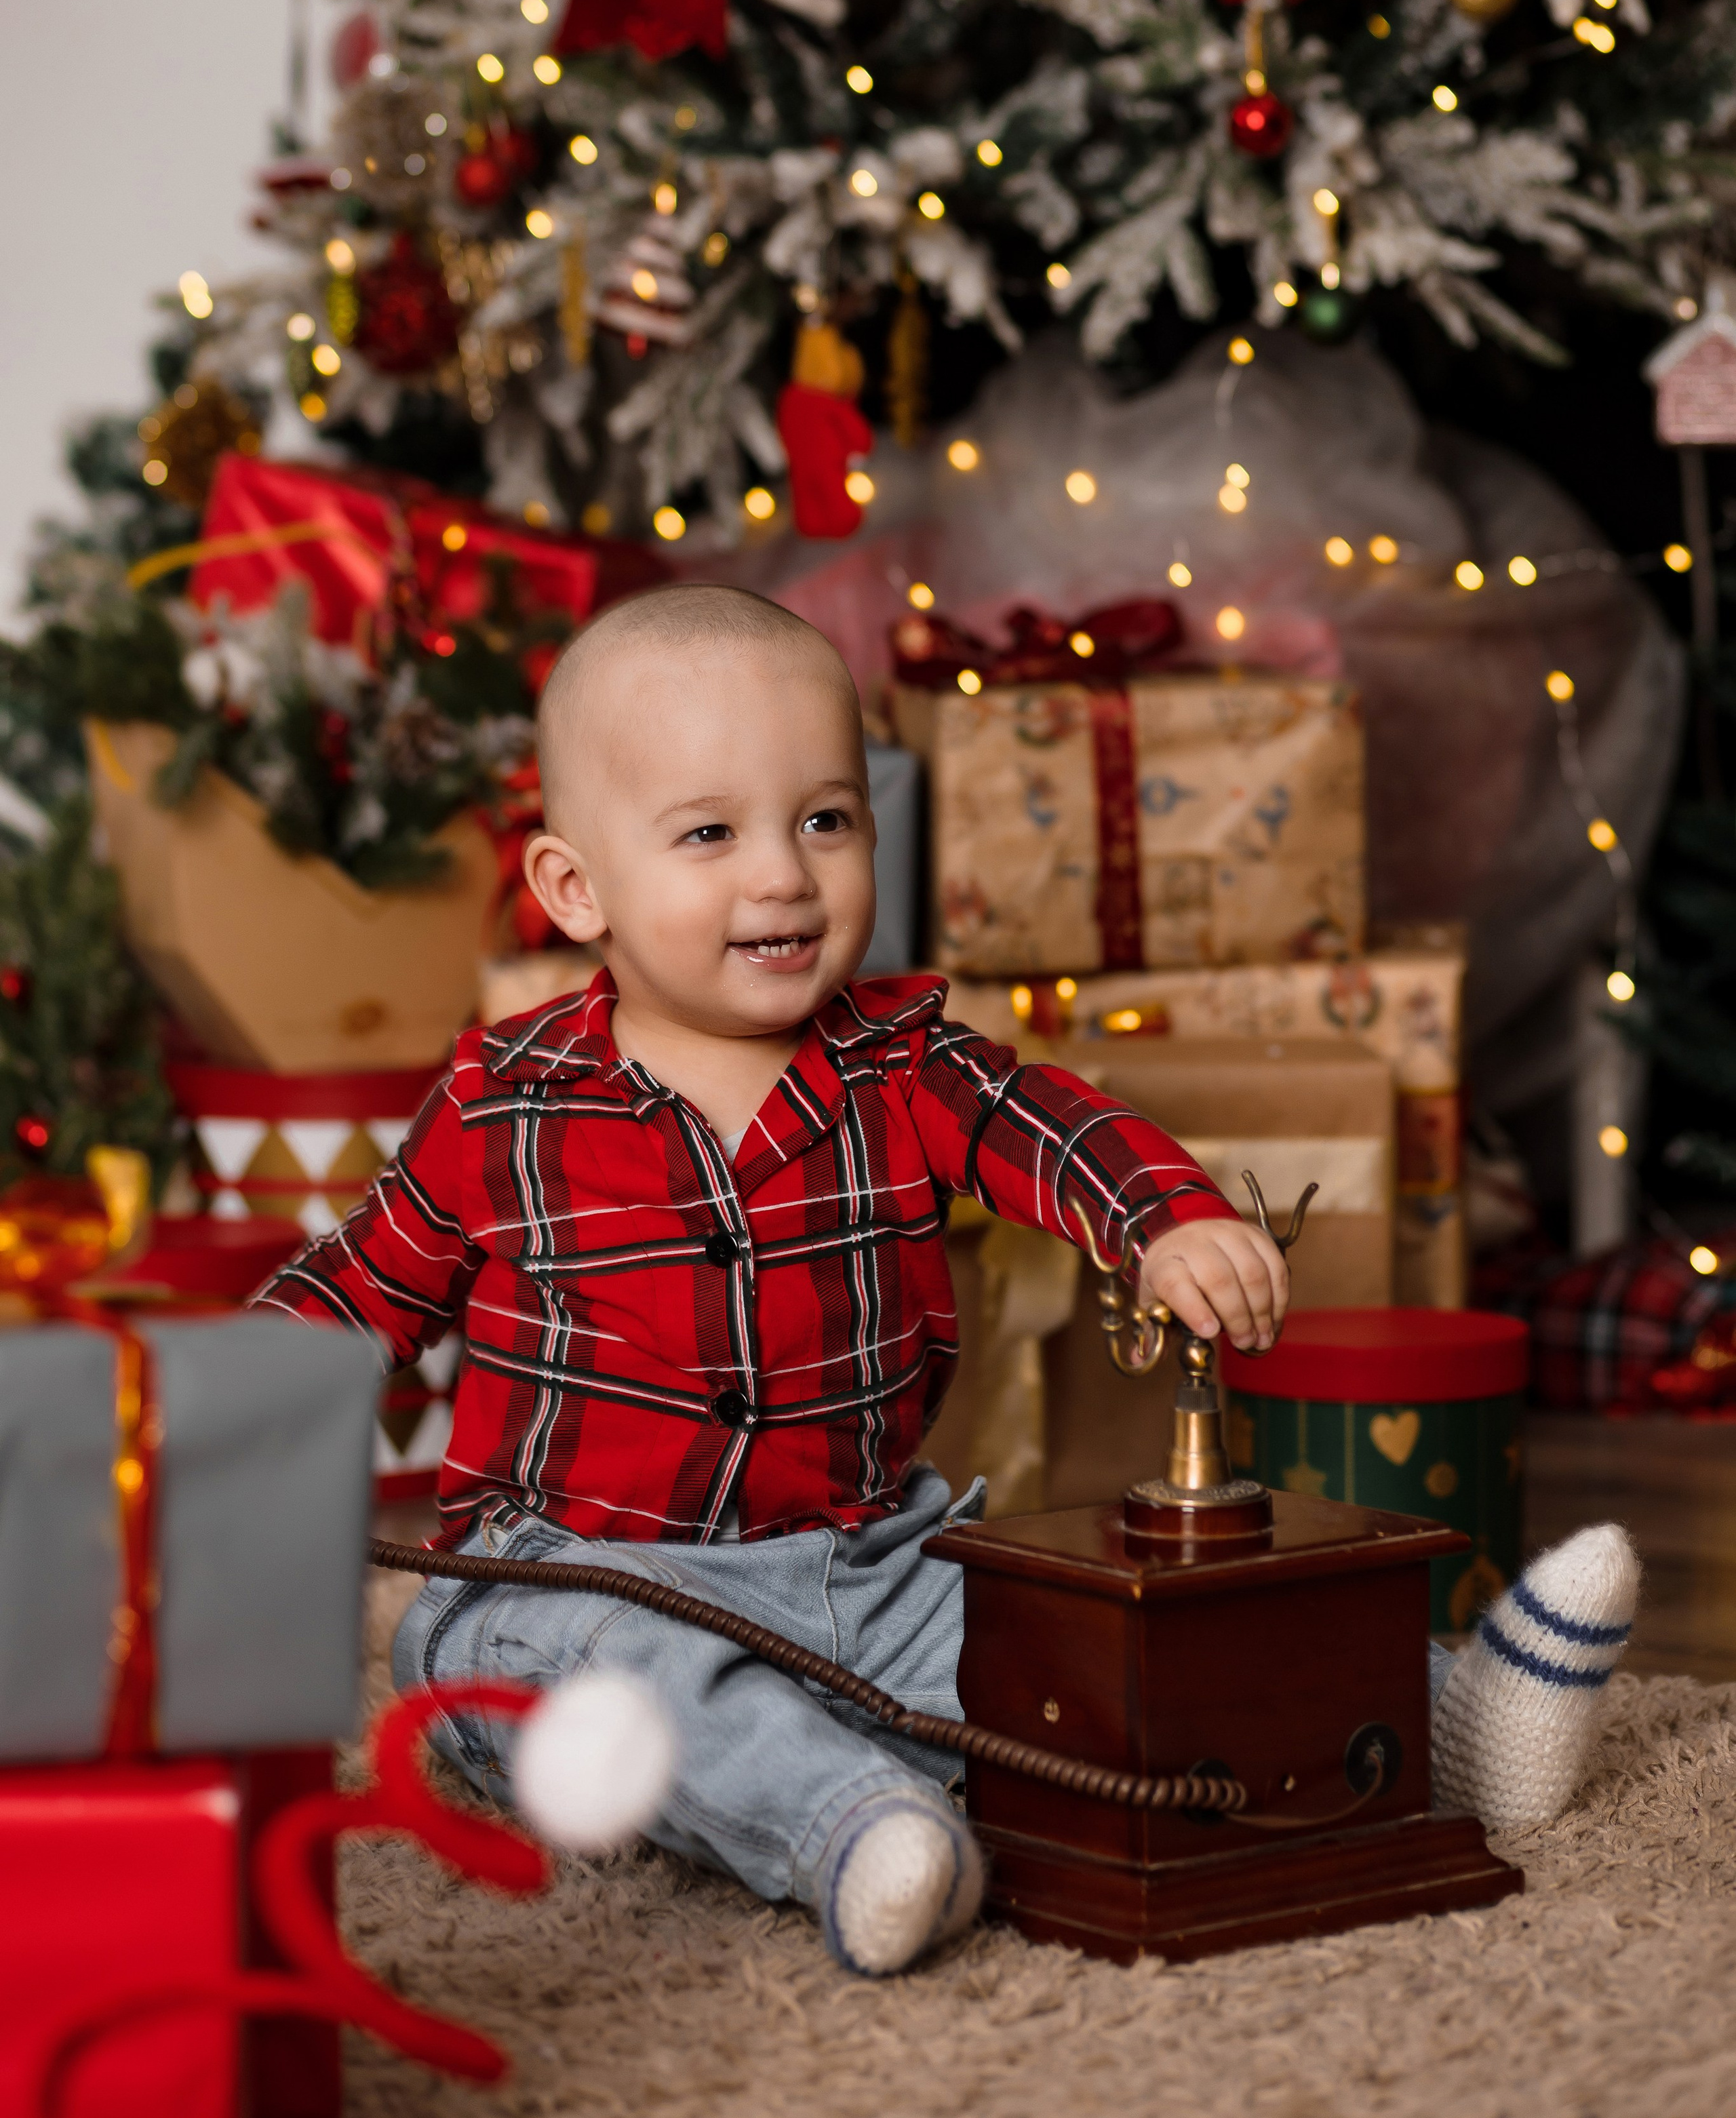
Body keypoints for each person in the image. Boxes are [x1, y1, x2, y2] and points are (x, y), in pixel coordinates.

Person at [253, 587, 1638, 1974]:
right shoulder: (506, 1105)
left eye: (825, 820)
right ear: (575, 889)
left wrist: (1166, 1219)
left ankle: (1446, 1716)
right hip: (571, 1577)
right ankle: (854, 1826)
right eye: (708, 834)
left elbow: (1053, 1127)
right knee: (590, 1685)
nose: (783, 876)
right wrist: (198, 1412)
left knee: (1075, 1649)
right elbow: (353, 1290)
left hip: (868, 1562)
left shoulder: (902, 1064)